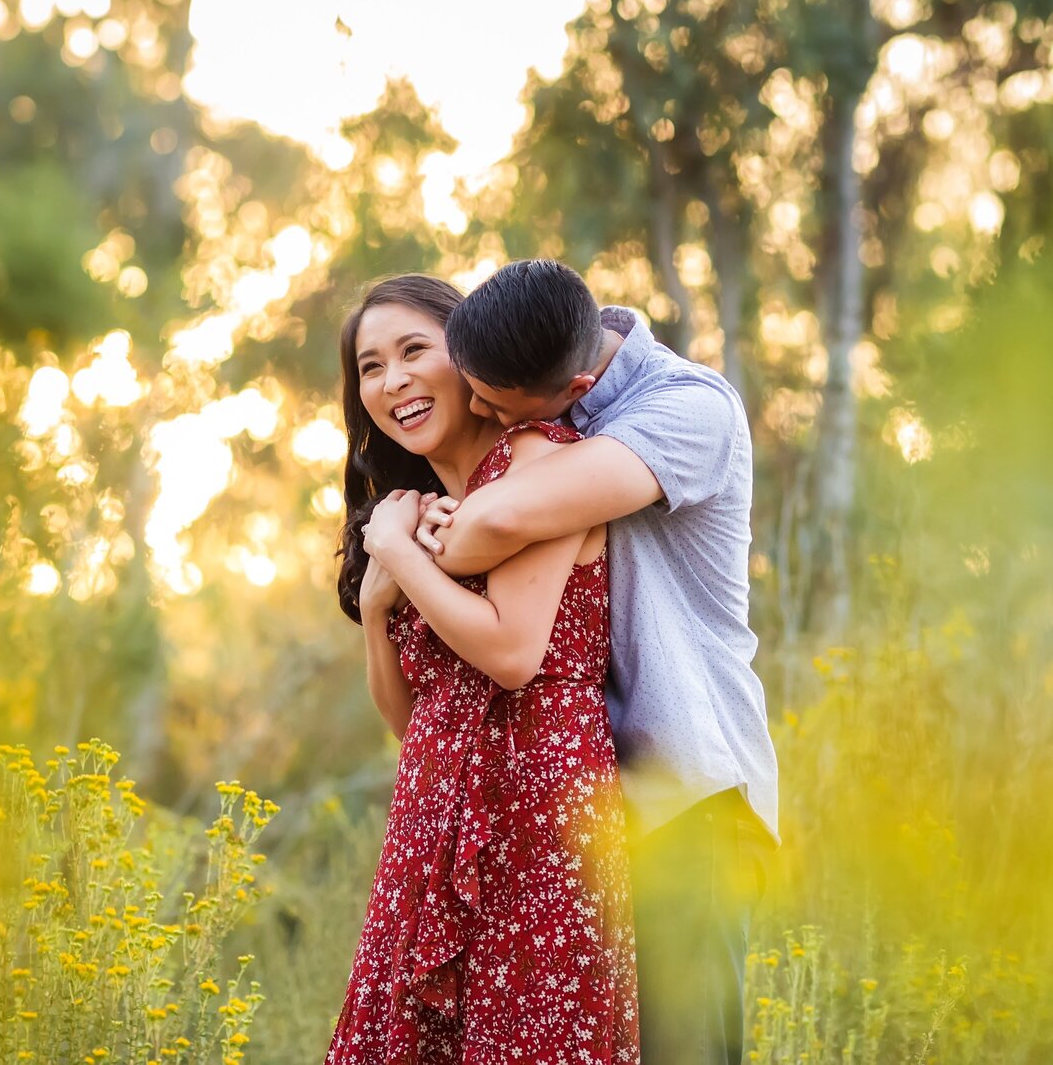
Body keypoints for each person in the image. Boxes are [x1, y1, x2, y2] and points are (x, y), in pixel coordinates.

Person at [418, 258, 779, 1065]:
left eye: (494, 403)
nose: (478, 410)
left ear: (578, 385)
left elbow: (498, 517)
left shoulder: (687, 408)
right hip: (596, 814)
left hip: (690, 801)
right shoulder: (543, 364)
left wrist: (428, 539)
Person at [327, 274, 639, 1064]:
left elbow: (510, 655)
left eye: (411, 351)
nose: (392, 380)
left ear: (466, 360)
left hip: (538, 821)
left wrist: (397, 551)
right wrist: (374, 606)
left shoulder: (541, 467)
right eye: (369, 366)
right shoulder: (418, 504)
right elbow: (414, 719)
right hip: (430, 825)